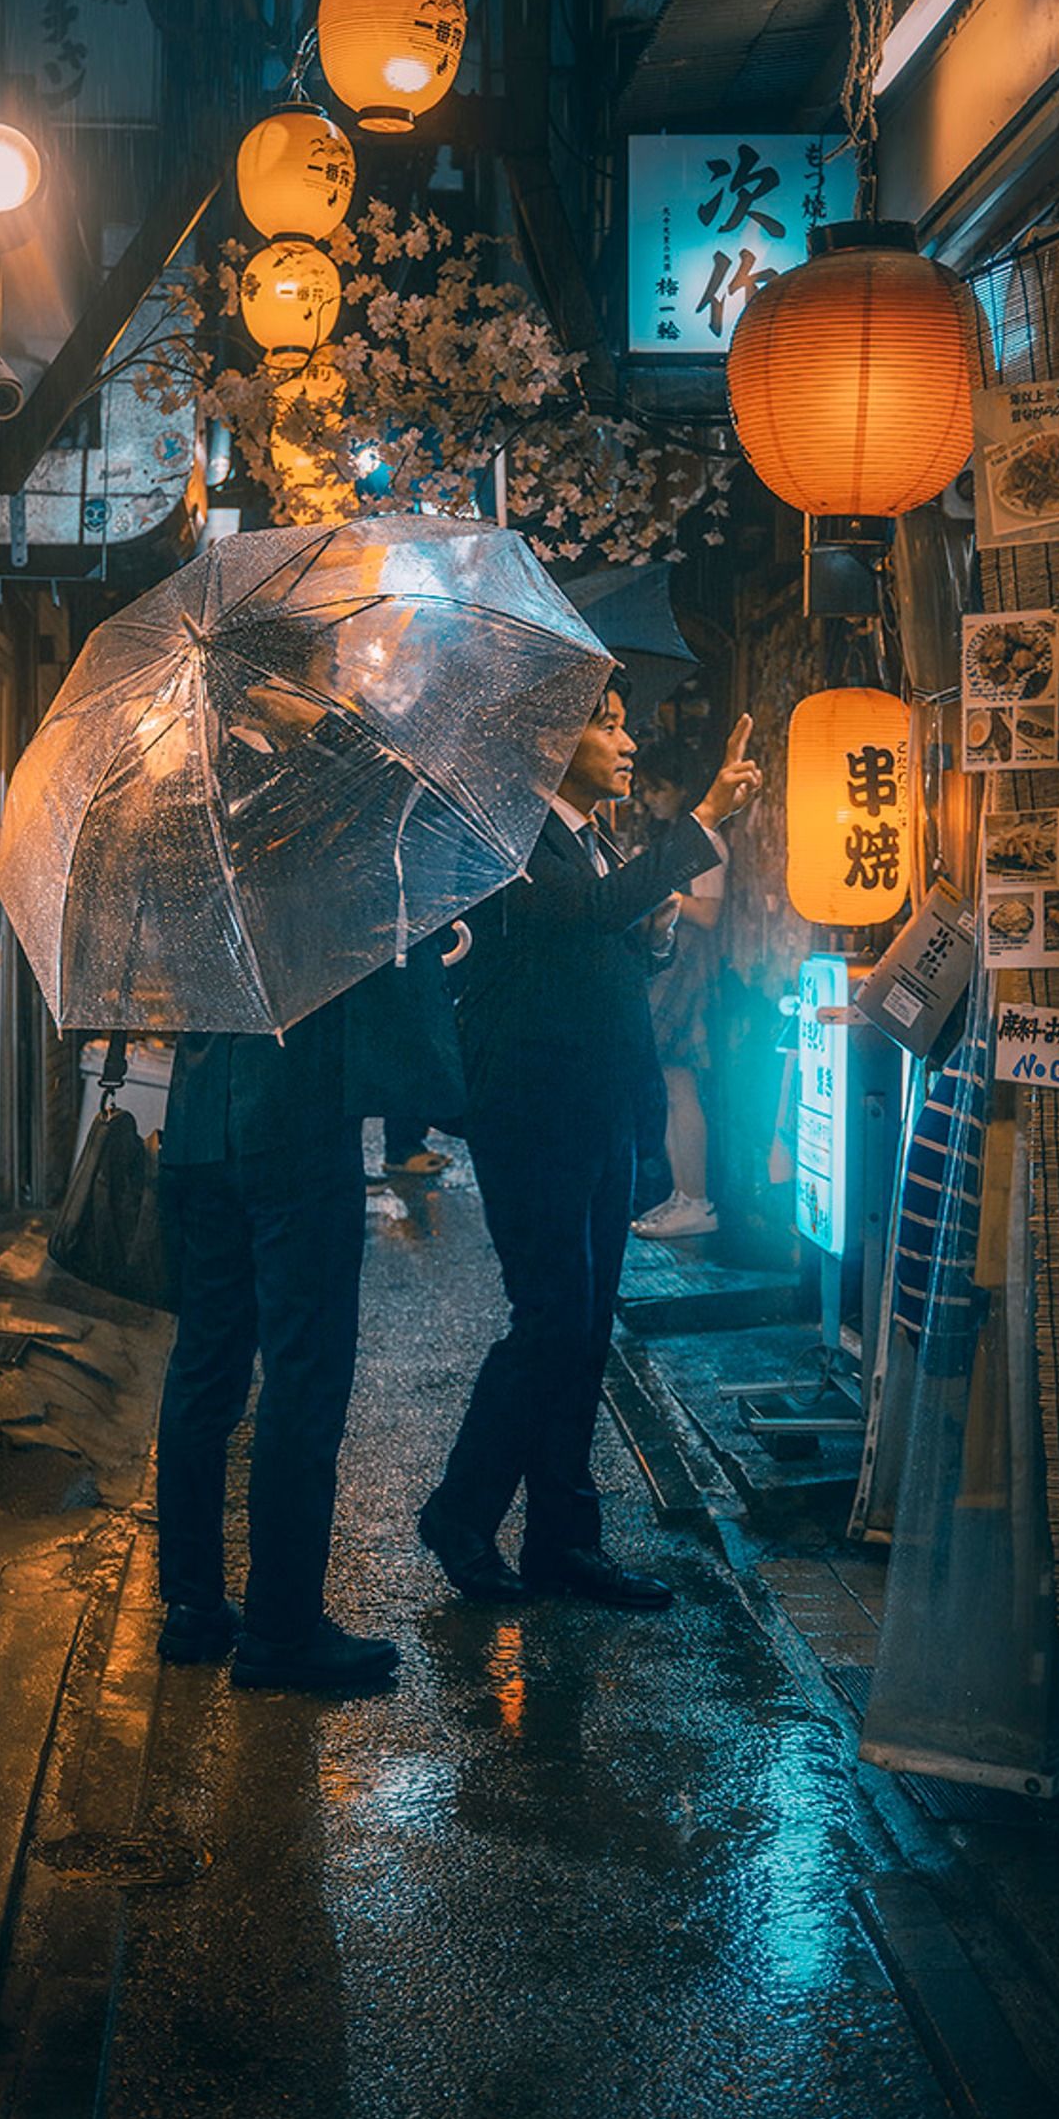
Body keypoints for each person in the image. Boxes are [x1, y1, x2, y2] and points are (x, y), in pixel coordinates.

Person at [417, 685, 762, 1613]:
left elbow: (605, 944)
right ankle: (459, 1514)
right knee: (553, 1328)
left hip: (599, 1110)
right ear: (548, 739)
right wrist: (704, 821)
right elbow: (574, 917)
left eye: (624, 717)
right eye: (606, 722)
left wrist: (651, 942)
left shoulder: (592, 837)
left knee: (586, 1334)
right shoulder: (510, 839)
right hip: (533, 1114)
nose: (627, 737)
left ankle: (565, 1542)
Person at [156, 936, 463, 1699]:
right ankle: (283, 1627)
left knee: (203, 1369)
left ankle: (193, 1605)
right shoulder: (314, 843)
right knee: (304, 1376)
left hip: (198, 1126)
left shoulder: (192, 845)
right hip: (295, 1125)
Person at [629, 739, 728, 1241]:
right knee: (672, 1085)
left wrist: (655, 890)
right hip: (674, 963)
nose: (649, 799)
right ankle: (684, 1195)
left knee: (679, 1083)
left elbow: (709, 913)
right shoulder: (677, 837)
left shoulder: (704, 841)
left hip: (686, 965)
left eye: (657, 788)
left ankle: (695, 1198)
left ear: (683, 787)